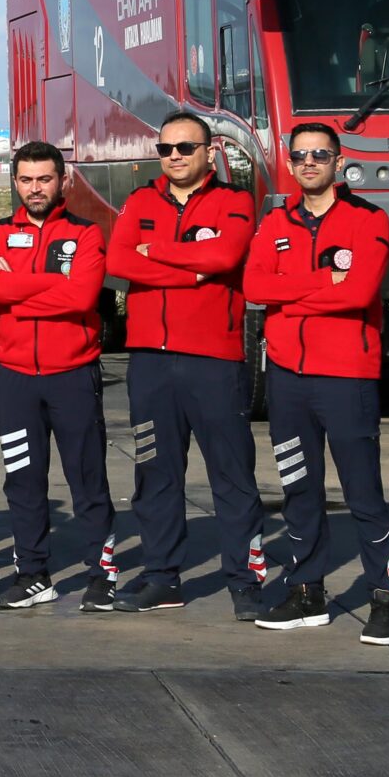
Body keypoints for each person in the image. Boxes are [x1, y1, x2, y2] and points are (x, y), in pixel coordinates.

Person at [244, 124, 389, 643]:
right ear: (290, 165)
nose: (309, 163)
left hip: (346, 378)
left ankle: (388, 596)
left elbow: (359, 291)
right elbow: (253, 286)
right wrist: (324, 284)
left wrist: (289, 294)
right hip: (289, 381)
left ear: (339, 163)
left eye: (320, 154)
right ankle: (306, 590)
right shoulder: (275, 221)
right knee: (298, 490)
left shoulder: (369, 219)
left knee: (363, 493)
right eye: (300, 156)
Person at [107, 113, 269, 619]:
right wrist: (190, 266)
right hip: (151, 364)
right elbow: (118, 261)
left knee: (233, 475)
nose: (174, 156)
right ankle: (162, 578)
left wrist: (157, 255)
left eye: (184, 147)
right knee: (156, 474)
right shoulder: (140, 201)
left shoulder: (235, 201)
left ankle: (245, 580)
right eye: (166, 149)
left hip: (213, 362)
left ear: (208, 151)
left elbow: (224, 257)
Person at [0, 142, 116, 610]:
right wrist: (54, 282)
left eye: (44, 179)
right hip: (16, 379)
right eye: (26, 179)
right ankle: (34, 574)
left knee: (87, 478)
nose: (35, 188)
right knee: (23, 481)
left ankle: (101, 574)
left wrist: (19, 285)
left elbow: (82, 299)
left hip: (72, 375)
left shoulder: (87, 234)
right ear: (15, 182)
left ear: (62, 181)